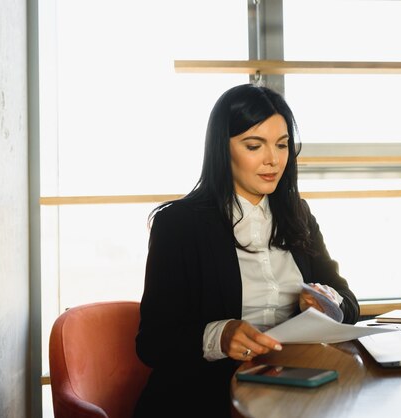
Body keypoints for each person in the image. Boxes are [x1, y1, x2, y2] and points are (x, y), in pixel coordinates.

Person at [133, 83, 360, 417]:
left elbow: (348, 301)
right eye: (254, 145)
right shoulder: (179, 225)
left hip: (296, 386)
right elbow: (153, 341)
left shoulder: (298, 214)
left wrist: (327, 305)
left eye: (282, 145)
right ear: (222, 150)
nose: (272, 160)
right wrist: (220, 335)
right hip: (205, 395)